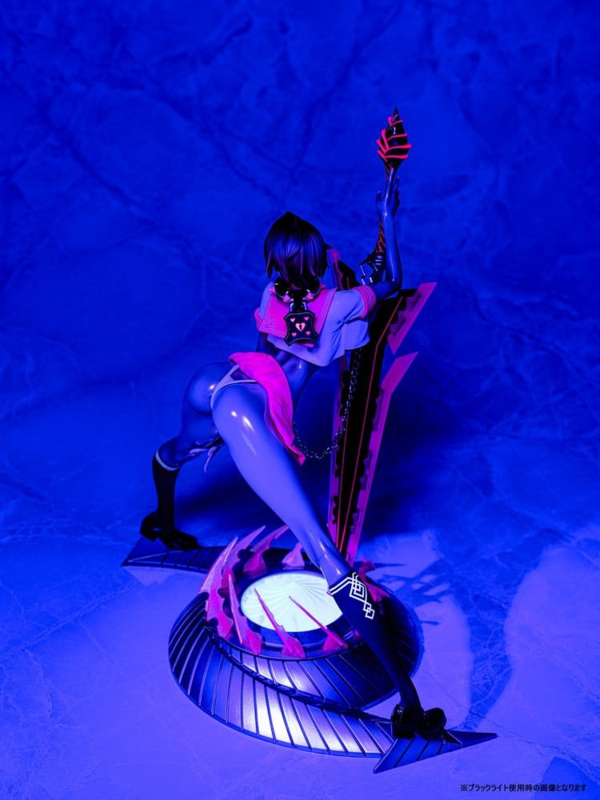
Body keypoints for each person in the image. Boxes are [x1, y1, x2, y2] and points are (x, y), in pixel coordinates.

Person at [141, 170, 446, 740]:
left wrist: (239, 420)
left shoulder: (270, 293)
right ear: (317, 260)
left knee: (183, 446)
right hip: (244, 409)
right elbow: (393, 282)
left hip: (220, 379)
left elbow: (262, 355)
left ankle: (159, 520)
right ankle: (409, 704)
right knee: (326, 554)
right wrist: (387, 218)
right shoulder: (339, 303)